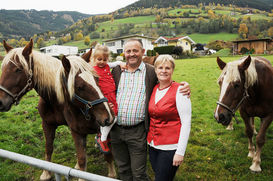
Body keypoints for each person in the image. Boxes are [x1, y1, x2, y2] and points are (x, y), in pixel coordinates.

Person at [110, 39, 191, 181]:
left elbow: (166, 81)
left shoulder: (150, 71)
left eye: (135, 50)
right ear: (124, 53)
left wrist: (184, 86)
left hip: (138, 131)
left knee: (139, 173)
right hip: (116, 130)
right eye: (128, 51)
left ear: (143, 52)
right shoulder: (117, 71)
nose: (132, 54)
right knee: (122, 169)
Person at [147, 55, 191, 181]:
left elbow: (186, 123)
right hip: (153, 145)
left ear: (172, 70)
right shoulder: (154, 88)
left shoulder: (180, 90)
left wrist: (180, 152)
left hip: (171, 147)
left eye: (167, 68)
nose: (164, 71)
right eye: (160, 67)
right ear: (155, 70)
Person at [91, 44, 126, 154]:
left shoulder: (107, 66)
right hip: (104, 97)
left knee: (115, 116)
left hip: (112, 95)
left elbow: (115, 63)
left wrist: (121, 63)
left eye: (104, 59)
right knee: (112, 117)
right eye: (99, 59)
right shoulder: (93, 69)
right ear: (94, 59)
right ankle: (103, 139)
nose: (102, 61)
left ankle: (101, 135)